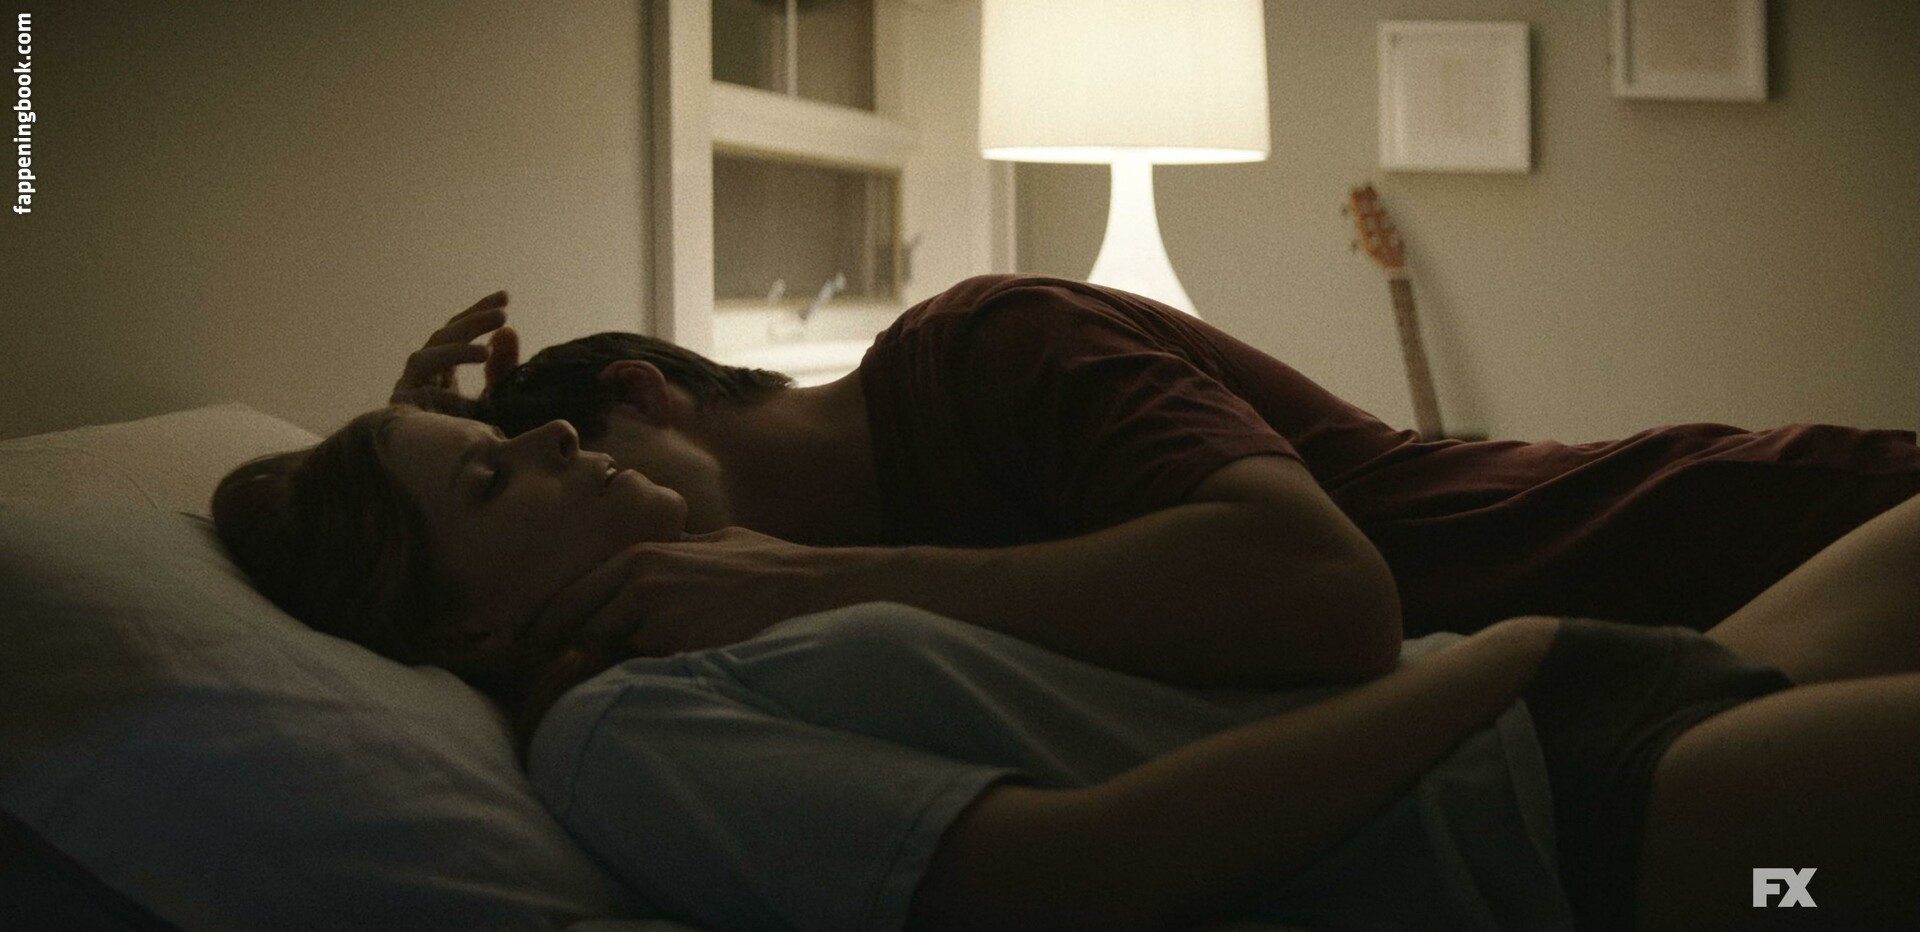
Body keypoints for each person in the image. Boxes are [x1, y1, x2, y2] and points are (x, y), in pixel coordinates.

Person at [210, 404, 1920, 930]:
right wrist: (1495, 667)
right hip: (1572, 826)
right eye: (491, 476)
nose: (553, 437)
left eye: (518, 428)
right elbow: (1085, 875)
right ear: (460, 632)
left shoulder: (720, 608)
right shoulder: (626, 741)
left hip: (1576, 702)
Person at [387, 279, 1920, 691]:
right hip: (1672, 703)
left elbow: (1324, 596)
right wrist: (398, 479)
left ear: (639, 395)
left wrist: (805, 580)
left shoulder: (987, 346)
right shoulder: (765, 643)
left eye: (572, 455)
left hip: (1749, 538)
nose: (615, 531)